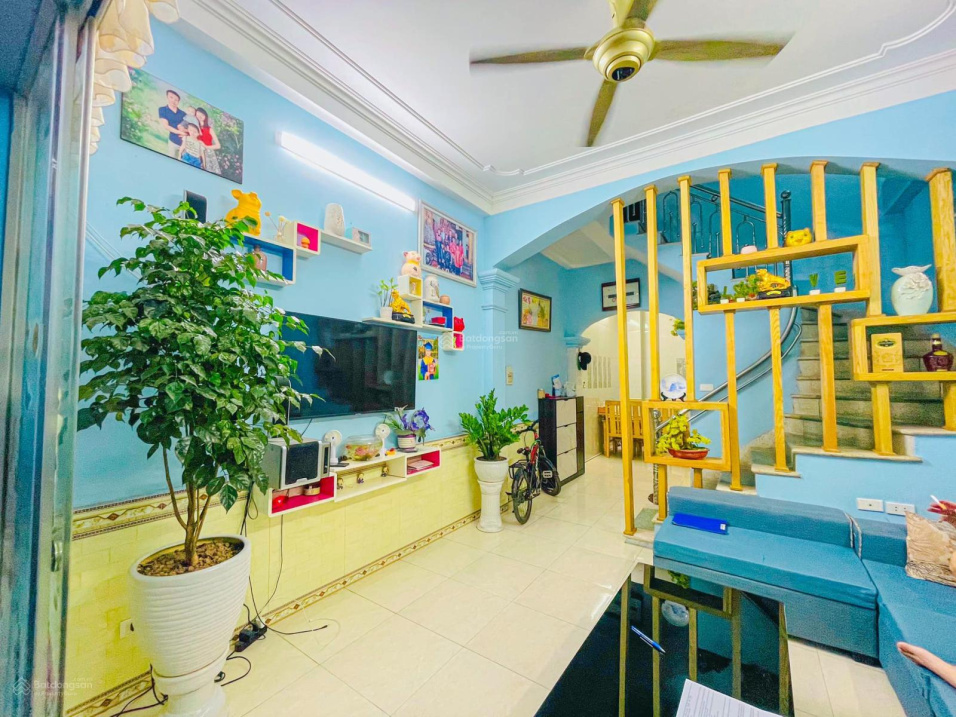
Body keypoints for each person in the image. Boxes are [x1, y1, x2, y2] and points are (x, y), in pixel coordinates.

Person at [158, 89, 186, 157]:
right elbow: (166, 126)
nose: (173, 101)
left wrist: (185, 134)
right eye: (171, 97)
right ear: (167, 97)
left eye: (176, 100)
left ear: (178, 102)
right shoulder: (162, 109)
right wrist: (180, 132)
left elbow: (188, 127)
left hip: (184, 142)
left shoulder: (183, 113)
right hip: (173, 141)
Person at [194, 107, 222, 175]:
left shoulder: (209, 129)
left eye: (202, 115)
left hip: (208, 153)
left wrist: (206, 146)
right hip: (196, 152)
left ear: (205, 116)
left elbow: (218, 146)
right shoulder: (194, 128)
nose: (200, 117)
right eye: (198, 115)